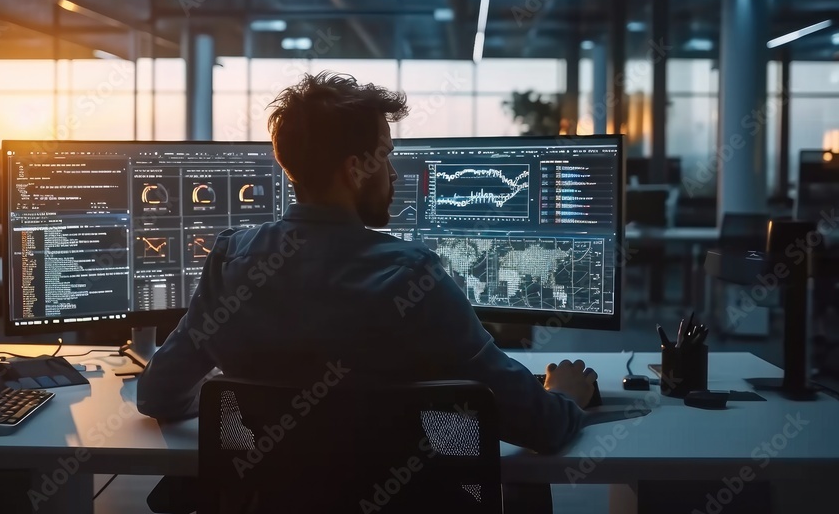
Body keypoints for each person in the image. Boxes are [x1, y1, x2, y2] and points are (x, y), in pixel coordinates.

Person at [136, 71, 598, 513]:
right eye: (385, 156)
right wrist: (565, 395)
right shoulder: (412, 276)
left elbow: (158, 396)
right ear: (355, 168)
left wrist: (238, 396)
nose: (393, 174)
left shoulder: (230, 262)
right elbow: (540, 425)